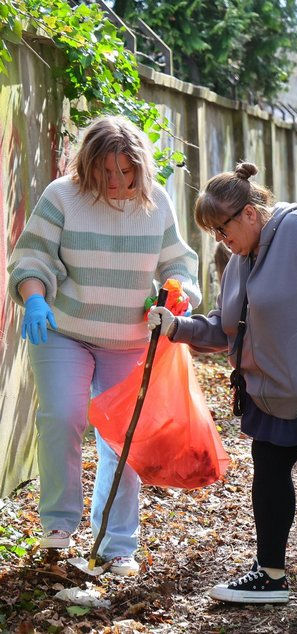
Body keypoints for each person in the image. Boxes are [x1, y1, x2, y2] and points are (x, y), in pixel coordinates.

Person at [148, 162, 297, 605]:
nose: (222, 242)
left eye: (223, 231)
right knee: (269, 478)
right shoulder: (241, 262)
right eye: (215, 236)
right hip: (269, 394)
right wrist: (177, 327)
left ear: (248, 212)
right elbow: (229, 328)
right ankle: (271, 574)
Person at [7, 115, 201, 575]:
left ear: (140, 167)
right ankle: (57, 527)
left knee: (124, 439)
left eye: (126, 171)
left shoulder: (156, 206)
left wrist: (177, 297)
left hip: (130, 339)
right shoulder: (62, 197)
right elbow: (31, 256)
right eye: (106, 172)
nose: (116, 181)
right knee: (62, 416)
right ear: (88, 167)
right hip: (65, 329)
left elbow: (179, 265)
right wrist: (34, 300)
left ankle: (117, 545)